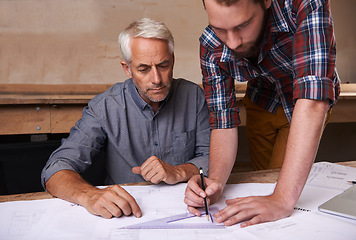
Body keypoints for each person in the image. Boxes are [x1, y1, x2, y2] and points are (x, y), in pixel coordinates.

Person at [184, 0, 340, 227]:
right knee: (263, 181)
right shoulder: (210, 45)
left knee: (283, 196)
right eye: (220, 29)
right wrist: (214, 182)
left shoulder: (306, 4)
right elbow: (222, 120)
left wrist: (282, 199)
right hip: (262, 100)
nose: (233, 42)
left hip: (302, 104)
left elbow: (313, 99)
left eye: (243, 25)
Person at [41, 18, 210, 219]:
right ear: (127, 69)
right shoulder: (105, 107)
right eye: (144, 69)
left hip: (186, 210)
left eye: (163, 65)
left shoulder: (195, 97)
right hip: (123, 215)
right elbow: (55, 169)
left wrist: (179, 171)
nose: (156, 79)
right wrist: (90, 196)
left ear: (173, 60)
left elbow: (212, 157)